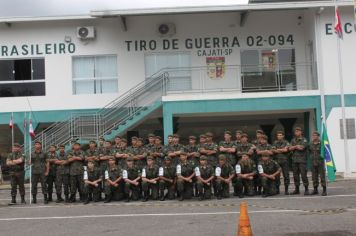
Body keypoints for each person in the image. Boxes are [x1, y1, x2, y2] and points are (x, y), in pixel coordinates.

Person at [289, 127, 309, 195]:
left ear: (301, 132)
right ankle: (297, 189)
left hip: (302, 160)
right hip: (294, 160)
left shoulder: (304, 140)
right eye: (295, 131)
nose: (296, 132)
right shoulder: (293, 140)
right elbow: (290, 148)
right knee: (295, 176)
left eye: (298, 131)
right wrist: (296, 146)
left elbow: (302, 148)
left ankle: (306, 189)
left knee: (303, 175)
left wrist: (295, 147)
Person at [309, 131, 327, 196]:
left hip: (320, 163)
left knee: (322, 177)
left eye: (315, 135)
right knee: (314, 177)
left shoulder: (322, 143)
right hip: (313, 162)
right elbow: (309, 151)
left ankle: (324, 190)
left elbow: (325, 151)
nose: (314, 137)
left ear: (318, 136)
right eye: (313, 135)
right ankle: (315, 190)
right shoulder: (310, 143)